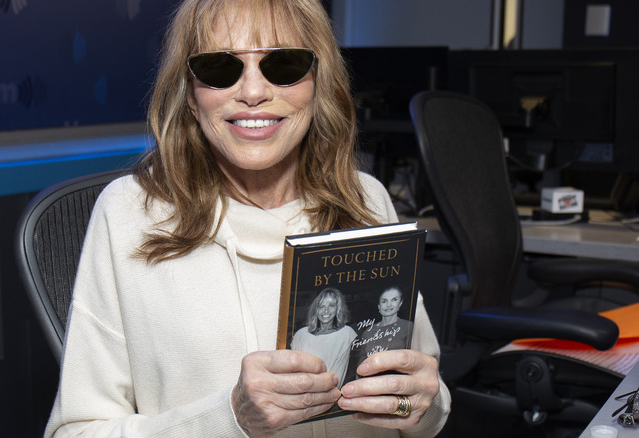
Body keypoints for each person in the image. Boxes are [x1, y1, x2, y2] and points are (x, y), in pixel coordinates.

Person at [44, 0, 451, 437]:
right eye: (220, 68)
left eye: (284, 64)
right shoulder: (129, 214)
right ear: (190, 91)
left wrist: (420, 406)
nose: (253, 92)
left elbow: (428, 403)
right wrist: (231, 417)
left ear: (318, 81)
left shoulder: (365, 199)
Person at [291, 288, 357, 389]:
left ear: (338, 308)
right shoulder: (301, 334)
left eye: (331, 306)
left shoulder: (346, 334)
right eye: (321, 306)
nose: (326, 310)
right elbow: (293, 371)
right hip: (298, 391)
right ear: (315, 309)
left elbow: (338, 377)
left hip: (326, 394)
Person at [354, 287, 414, 363]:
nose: (389, 305)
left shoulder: (408, 327)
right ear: (379, 305)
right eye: (384, 301)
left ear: (400, 303)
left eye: (394, 300)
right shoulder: (368, 332)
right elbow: (362, 361)